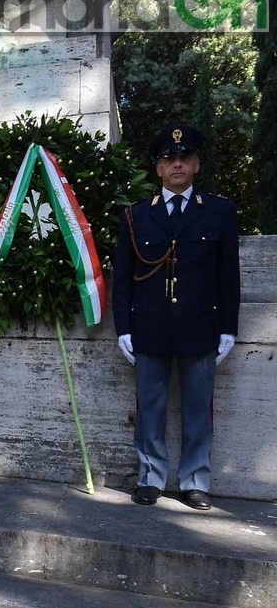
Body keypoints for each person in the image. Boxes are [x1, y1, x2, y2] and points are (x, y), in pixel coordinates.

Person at [113, 124, 239, 511]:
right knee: (149, 407)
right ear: (158, 169)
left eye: (184, 158)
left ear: (196, 165)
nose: (177, 164)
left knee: (198, 410)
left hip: (200, 327)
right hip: (149, 326)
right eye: (169, 159)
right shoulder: (135, 215)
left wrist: (228, 330)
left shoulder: (219, 211)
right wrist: (123, 329)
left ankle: (194, 480)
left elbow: (227, 276)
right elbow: (122, 278)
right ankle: (150, 477)